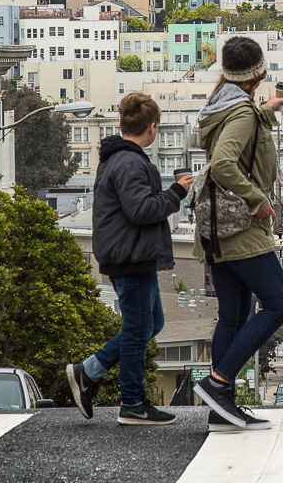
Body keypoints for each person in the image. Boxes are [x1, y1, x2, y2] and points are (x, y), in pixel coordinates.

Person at [65, 93, 193, 425]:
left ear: (121, 124)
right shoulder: (132, 163)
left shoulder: (117, 158)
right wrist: (177, 191)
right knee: (138, 327)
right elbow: (141, 210)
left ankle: (88, 372)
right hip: (130, 255)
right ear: (152, 129)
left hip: (130, 253)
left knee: (151, 324)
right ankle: (132, 402)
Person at [191, 36, 283, 432]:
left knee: (233, 317)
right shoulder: (238, 110)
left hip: (216, 227)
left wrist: (268, 109)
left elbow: (240, 127)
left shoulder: (223, 101)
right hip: (239, 226)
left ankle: (222, 409)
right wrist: (257, 199)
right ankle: (219, 384)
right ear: (258, 72)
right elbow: (223, 163)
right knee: (279, 302)